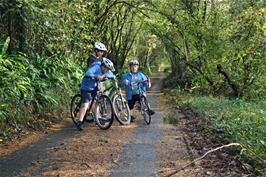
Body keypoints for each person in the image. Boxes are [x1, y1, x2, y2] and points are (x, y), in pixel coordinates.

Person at [77, 58, 115, 130]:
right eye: (107, 69)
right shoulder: (96, 67)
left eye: (109, 69)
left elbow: (111, 75)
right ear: (103, 66)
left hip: (94, 87)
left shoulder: (106, 71)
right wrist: (95, 76)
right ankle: (80, 122)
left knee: (95, 102)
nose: (107, 71)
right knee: (85, 104)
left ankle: (98, 118)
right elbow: (88, 73)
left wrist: (113, 77)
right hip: (86, 87)